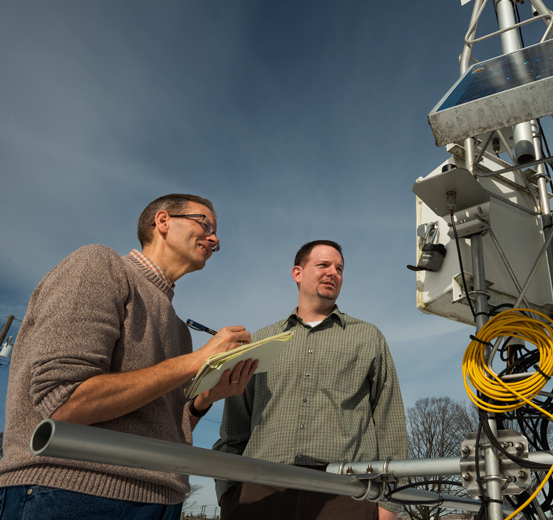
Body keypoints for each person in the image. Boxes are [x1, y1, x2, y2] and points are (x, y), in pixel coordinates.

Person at [0, 194, 258, 520]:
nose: (214, 238)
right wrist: (195, 361)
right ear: (163, 221)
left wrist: (205, 399)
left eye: (215, 233)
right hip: (71, 494)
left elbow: (164, 428)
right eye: (204, 223)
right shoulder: (97, 265)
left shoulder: (179, 329)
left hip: (161, 501)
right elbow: (65, 404)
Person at [213, 240, 408, 520]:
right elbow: (234, 427)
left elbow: (390, 422)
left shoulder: (368, 337)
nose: (333, 273)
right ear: (298, 273)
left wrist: (389, 503)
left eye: (339, 268)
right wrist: (227, 493)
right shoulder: (261, 341)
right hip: (260, 491)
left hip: (346, 492)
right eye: (323, 265)